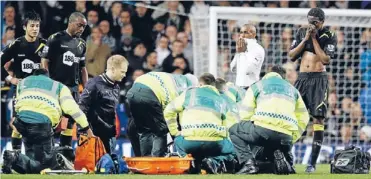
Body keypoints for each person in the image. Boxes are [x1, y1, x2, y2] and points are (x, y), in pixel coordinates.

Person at [2, 69, 94, 174]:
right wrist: (86, 128)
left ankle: (14, 159)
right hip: (41, 125)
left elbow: (18, 104)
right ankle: (15, 157)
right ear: (48, 76)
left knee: (31, 162)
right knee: (44, 166)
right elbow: (73, 110)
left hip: (22, 124)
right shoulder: (58, 86)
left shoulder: (23, 82)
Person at [229, 65, 309, 175]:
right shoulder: (293, 90)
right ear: (283, 77)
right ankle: (287, 163)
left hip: (263, 132)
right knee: (272, 146)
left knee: (234, 130)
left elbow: (245, 114)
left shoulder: (257, 86)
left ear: (268, 74)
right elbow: (304, 117)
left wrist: (253, 127)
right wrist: (292, 137)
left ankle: (249, 164)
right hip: (286, 138)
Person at [288, 7, 337, 173]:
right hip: (301, 79)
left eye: (315, 22)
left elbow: (325, 59)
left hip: (318, 80)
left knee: (318, 119)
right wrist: (306, 38)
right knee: (292, 117)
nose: (312, 25)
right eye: (310, 21)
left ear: (322, 22)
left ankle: (312, 164)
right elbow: (292, 56)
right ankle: (287, 158)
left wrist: (314, 39)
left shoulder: (329, 36)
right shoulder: (302, 32)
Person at [164, 73, 238, 174]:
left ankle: (190, 163)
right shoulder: (222, 99)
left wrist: (175, 132)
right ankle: (213, 162)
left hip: (190, 142)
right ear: (214, 85)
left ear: (199, 84)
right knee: (235, 149)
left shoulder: (189, 94)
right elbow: (228, 123)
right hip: (214, 143)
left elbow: (168, 111)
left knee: (177, 140)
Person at [41, 12, 88, 150]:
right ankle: (47, 151)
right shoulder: (55, 39)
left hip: (73, 89)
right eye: (79, 25)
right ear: (70, 22)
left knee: (69, 121)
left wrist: (86, 88)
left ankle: (65, 150)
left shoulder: (82, 44)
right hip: (56, 87)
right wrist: (47, 83)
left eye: (84, 27)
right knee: (51, 119)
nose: (81, 29)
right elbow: (44, 60)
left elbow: (83, 68)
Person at [1, 11, 47, 151]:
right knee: (18, 124)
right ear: (24, 27)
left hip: (41, 91)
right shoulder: (17, 44)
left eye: (37, 26)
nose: (35, 29)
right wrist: (10, 79)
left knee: (40, 123)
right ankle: (15, 156)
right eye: (32, 25)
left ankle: (37, 156)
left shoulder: (45, 46)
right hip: (22, 91)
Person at [126, 72, 198, 157]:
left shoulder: (173, 78)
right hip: (150, 94)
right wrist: (177, 135)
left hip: (132, 92)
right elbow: (173, 115)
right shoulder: (184, 89)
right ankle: (158, 159)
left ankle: (146, 161)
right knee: (161, 130)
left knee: (144, 131)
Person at [79, 55, 128, 154]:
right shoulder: (94, 84)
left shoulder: (116, 87)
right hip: (93, 135)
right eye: (122, 72)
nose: (124, 75)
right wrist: (86, 131)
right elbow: (81, 109)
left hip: (109, 135)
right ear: (113, 69)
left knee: (108, 166)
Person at [230, 24, 265, 90]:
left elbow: (249, 70)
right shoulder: (241, 48)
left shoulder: (258, 49)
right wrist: (238, 53)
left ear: (254, 34)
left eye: (245, 32)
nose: (242, 35)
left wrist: (244, 53)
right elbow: (233, 69)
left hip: (251, 88)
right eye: (241, 32)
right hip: (238, 87)